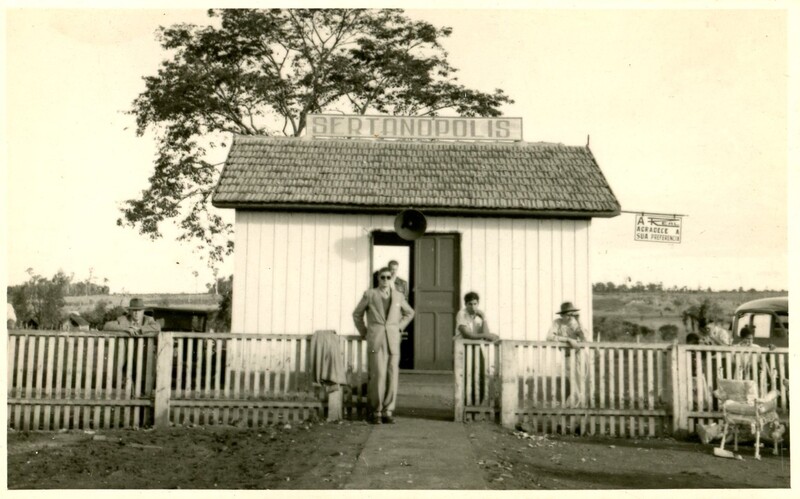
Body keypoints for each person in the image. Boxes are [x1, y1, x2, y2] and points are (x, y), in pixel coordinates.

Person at [353, 267, 415, 424]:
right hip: (376, 340)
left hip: (393, 340)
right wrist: (365, 332)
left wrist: (399, 327)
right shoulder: (370, 294)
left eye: (388, 277)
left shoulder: (398, 296)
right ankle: (376, 411)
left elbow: (410, 313)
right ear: (378, 279)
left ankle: (388, 411)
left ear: (392, 279)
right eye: (382, 277)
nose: (385, 280)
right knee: (378, 375)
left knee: (392, 374)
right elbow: (357, 314)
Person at [547, 302, 587, 408]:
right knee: (574, 383)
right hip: (567, 356)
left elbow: (585, 338)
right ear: (562, 315)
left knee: (580, 383)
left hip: (578, 355)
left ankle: (576, 406)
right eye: (568, 314)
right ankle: (574, 406)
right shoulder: (557, 323)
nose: (570, 317)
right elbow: (549, 337)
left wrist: (579, 320)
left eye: (572, 314)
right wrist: (568, 339)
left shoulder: (575, 323)